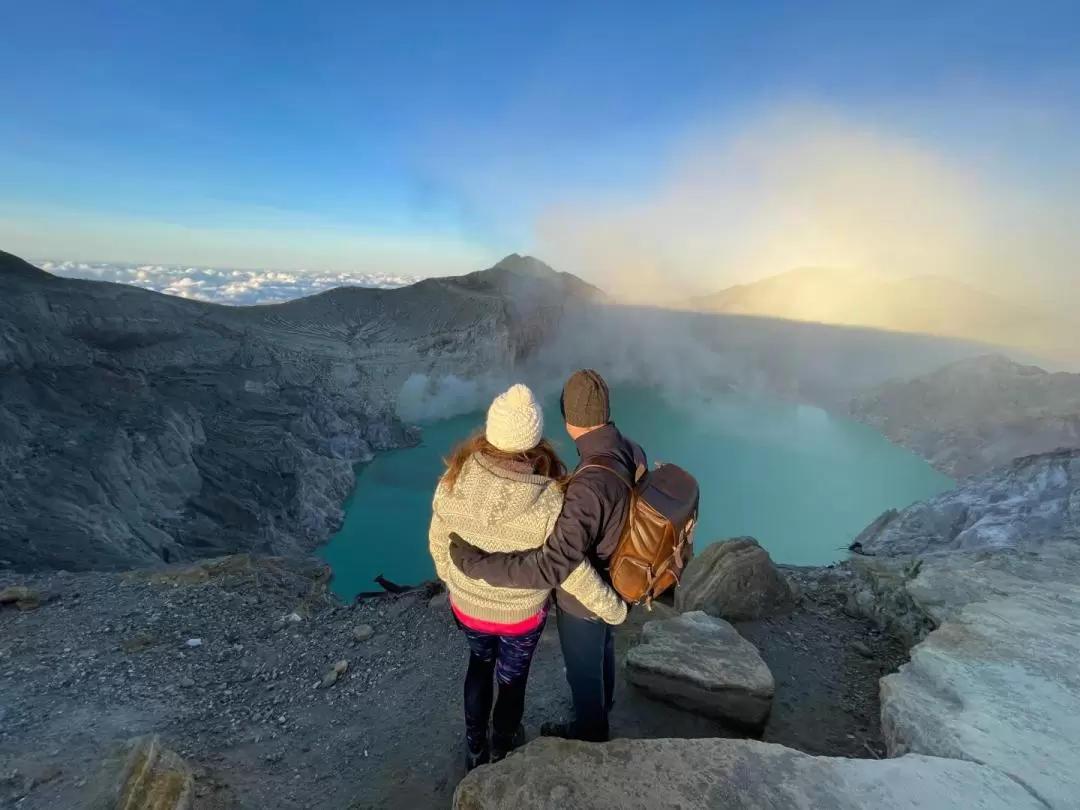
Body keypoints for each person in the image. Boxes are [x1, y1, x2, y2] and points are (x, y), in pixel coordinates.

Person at [428, 382, 627, 771]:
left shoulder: (453, 480)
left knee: (478, 666)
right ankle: (503, 744)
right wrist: (613, 608)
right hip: (520, 618)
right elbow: (569, 570)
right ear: (533, 441)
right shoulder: (549, 500)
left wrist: (453, 582)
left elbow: (438, 541)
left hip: (468, 607)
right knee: (512, 679)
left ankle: (474, 748)